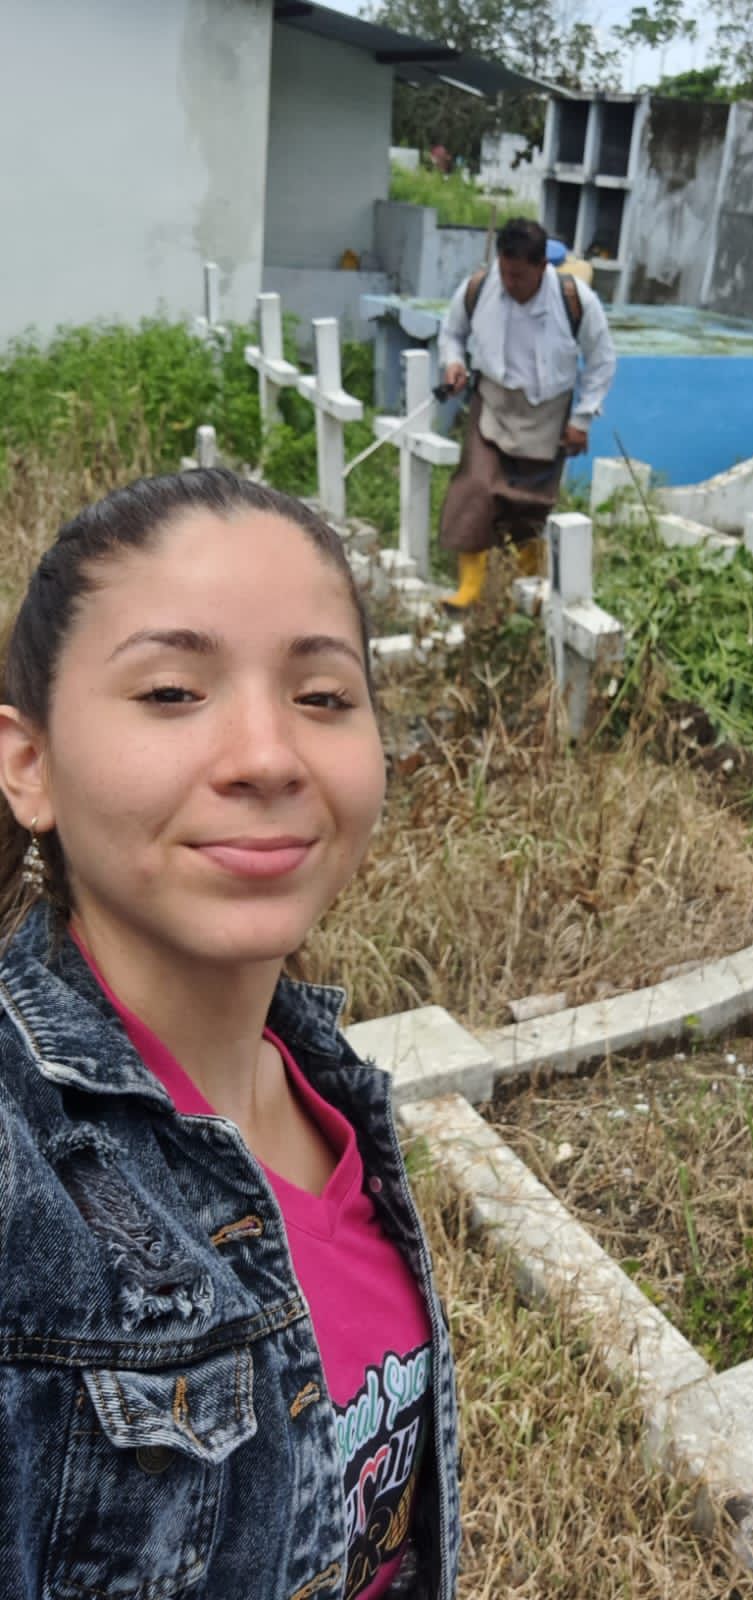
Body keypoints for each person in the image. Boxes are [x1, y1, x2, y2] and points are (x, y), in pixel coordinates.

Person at [0, 469, 460, 1600]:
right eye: (171, 691)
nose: (268, 755)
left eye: (322, 696)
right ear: (29, 764)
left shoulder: (328, 1089)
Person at [438, 216, 617, 608]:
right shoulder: (479, 287)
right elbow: (452, 332)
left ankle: (524, 590)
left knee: (529, 506)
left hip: (546, 414)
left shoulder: (575, 301)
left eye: (519, 275)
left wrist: (582, 419)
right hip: (493, 404)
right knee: (474, 489)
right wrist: (453, 363)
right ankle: (469, 590)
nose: (510, 283)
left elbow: (602, 360)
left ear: (541, 266)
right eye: (505, 272)